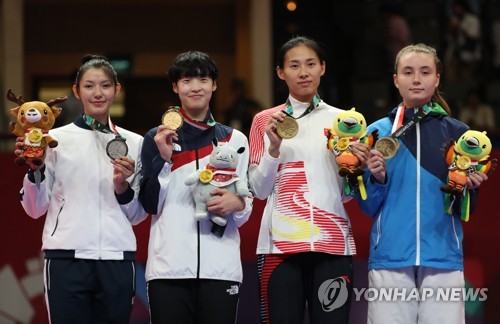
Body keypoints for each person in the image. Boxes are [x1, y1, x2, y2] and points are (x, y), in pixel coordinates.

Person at [357, 43, 489, 324]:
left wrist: (469, 188)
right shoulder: (376, 133)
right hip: (390, 256)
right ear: (396, 79)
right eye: (408, 72)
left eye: (425, 72)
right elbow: (367, 207)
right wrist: (378, 178)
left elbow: (464, 211)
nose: (416, 79)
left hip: (442, 256)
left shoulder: (460, 135)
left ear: (437, 78)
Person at [14, 54, 147, 323]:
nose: (98, 93)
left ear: (117, 89)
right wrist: (35, 169)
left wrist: (122, 187)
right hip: (66, 258)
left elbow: (137, 215)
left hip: (117, 257)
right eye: (89, 86)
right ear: (76, 91)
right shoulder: (54, 141)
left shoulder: (135, 143)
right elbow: (34, 209)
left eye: (105, 85)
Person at [248, 36, 361, 324]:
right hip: (279, 247)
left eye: (311, 64)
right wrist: (273, 149)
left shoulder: (345, 122)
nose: (303, 72)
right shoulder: (265, 121)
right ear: (280, 72)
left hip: (333, 244)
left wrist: (351, 168)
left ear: (323, 68)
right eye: (294, 65)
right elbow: (259, 191)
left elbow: (348, 194)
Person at [139, 51, 253, 324]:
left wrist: (238, 204)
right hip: (169, 270)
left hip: (220, 268)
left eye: (203, 79)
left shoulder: (233, 138)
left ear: (214, 85)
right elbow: (149, 204)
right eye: (187, 80)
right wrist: (164, 159)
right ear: (175, 87)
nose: (195, 87)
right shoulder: (156, 138)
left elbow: (245, 200)